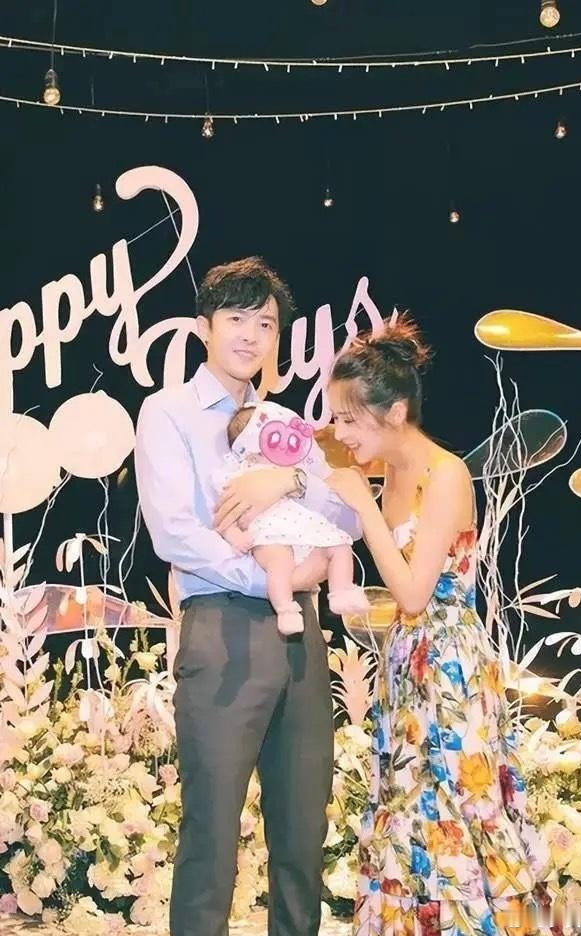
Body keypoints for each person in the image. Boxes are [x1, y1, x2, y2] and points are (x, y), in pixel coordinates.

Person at [134, 256, 360, 936]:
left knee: (302, 828)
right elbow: (175, 533)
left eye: (265, 324)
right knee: (211, 831)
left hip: (302, 638)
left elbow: (346, 517)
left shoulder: (287, 421)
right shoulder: (167, 412)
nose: (251, 335)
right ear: (205, 327)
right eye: (236, 319)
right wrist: (276, 578)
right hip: (223, 627)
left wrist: (288, 482)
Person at [325, 317, 554, 936]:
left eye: (349, 419)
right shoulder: (390, 475)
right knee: (405, 800)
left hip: (450, 660)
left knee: (462, 796)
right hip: (406, 656)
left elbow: (414, 590)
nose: (340, 433)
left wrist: (363, 506)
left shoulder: (446, 473)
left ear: (395, 411)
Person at [221, 400, 369, 635]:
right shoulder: (242, 475)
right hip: (270, 536)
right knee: (280, 563)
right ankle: (285, 609)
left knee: (340, 546)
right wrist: (234, 536)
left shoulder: (299, 470)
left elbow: (351, 521)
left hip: (306, 532)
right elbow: (223, 516)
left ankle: (341, 591)